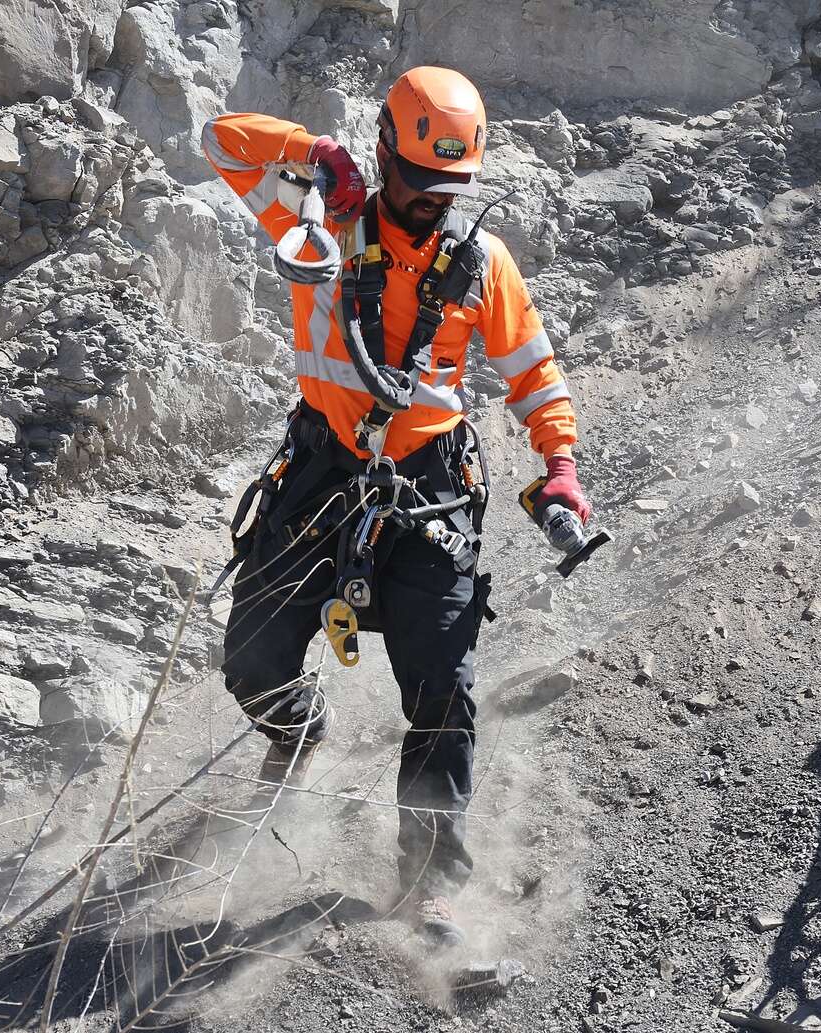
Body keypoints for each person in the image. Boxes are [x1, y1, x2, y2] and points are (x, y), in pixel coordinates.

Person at [201, 66, 593, 947]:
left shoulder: (481, 264)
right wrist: (315, 152)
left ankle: (427, 884)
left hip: (429, 488)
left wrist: (561, 465)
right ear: (383, 156)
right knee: (253, 661)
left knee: (444, 690)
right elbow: (220, 141)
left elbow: (534, 372)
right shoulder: (320, 219)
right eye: (418, 182)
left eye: (451, 186)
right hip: (319, 473)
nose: (433, 201)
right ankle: (298, 729)